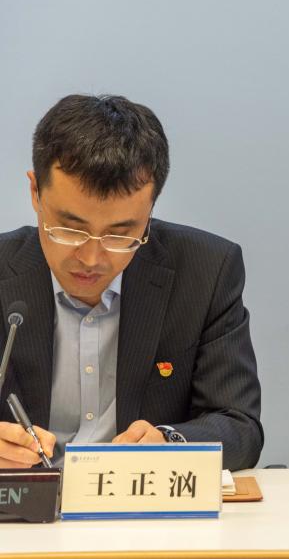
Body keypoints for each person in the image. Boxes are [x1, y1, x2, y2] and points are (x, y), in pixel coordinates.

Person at [0, 95, 262, 470]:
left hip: (143, 499)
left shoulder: (205, 271)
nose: (91, 258)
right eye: (70, 229)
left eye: (120, 234)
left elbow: (240, 427)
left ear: (150, 209)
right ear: (35, 193)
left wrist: (169, 443)